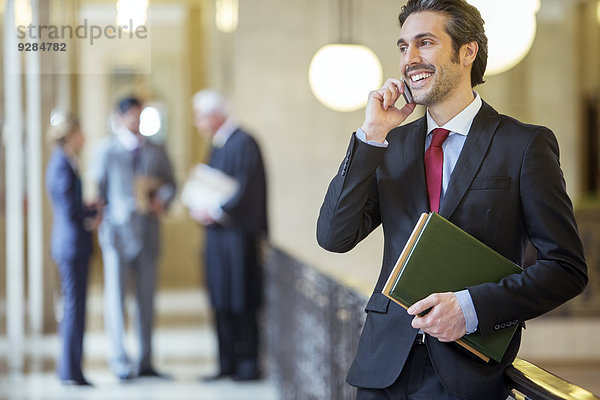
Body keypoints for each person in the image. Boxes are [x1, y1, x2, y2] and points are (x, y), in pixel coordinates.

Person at [316, 1, 588, 399]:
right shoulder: (388, 145)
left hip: (468, 371)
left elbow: (566, 268)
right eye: (403, 46)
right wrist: (370, 136)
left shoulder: (524, 145)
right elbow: (333, 236)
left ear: (468, 51)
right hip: (382, 368)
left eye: (424, 43)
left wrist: (471, 307)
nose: (410, 59)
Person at [90, 96, 176, 380]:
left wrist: (161, 200)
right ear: (121, 117)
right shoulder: (106, 150)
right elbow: (97, 191)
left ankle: (146, 360)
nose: (137, 122)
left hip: (149, 231)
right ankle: (120, 361)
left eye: (141, 116)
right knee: (116, 298)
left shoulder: (157, 148)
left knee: (147, 299)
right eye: (133, 116)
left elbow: (171, 183)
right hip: (116, 234)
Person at [191, 90, 267, 381]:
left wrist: (218, 209)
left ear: (214, 114)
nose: (197, 123)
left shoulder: (245, 142)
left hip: (238, 238)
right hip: (218, 237)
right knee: (220, 298)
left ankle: (248, 363)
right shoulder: (217, 144)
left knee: (241, 297)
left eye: (199, 116)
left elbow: (247, 190)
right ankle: (226, 363)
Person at [46, 114, 101, 386]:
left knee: (75, 308)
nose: (84, 137)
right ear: (71, 134)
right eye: (80, 132)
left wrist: (90, 208)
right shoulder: (60, 164)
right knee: (73, 309)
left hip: (73, 242)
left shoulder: (68, 161)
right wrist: (89, 216)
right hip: (71, 245)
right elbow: (69, 209)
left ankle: (72, 368)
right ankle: (71, 370)